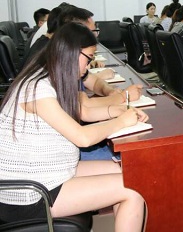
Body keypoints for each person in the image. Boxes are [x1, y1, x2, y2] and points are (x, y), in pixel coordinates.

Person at [0, 22, 148, 230]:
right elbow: (82, 138)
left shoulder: (50, 77)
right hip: (30, 193)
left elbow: (84, 112)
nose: (88, 66)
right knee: (134, 188)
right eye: (88, 58)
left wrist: (117, 111)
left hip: (53, 172)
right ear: (73, 53)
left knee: (128, 172)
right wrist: (121, 122)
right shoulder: (38, 88)